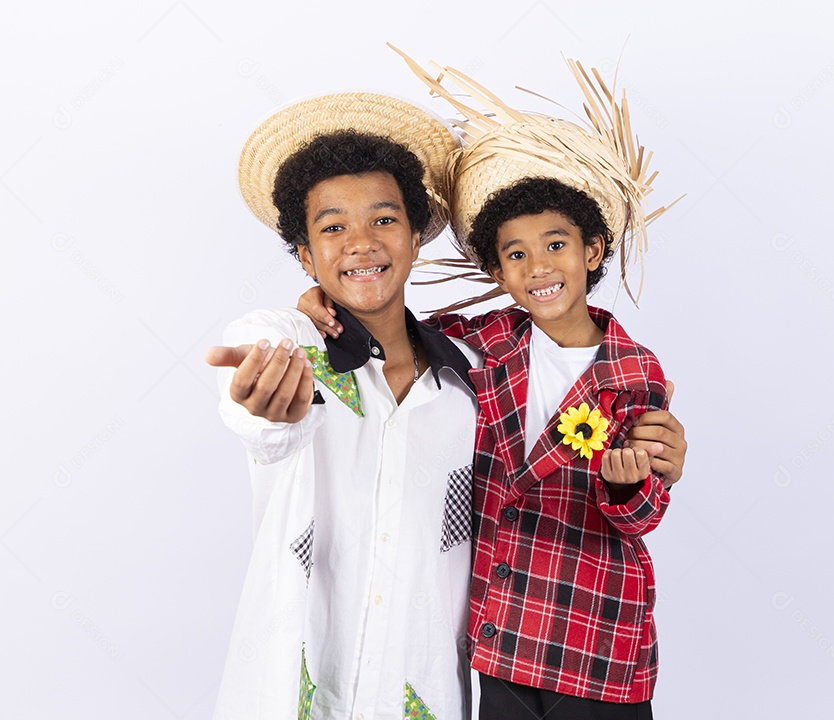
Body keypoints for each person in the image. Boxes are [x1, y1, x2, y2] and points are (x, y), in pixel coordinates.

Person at [208, 93, 686, 720]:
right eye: (331, 228)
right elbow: (264, 381)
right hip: (327, 685)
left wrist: (651, 462)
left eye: (382, 220)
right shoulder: (306, 346)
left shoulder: (473, 373)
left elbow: (624, 471)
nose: (359, 243)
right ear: (306, 256)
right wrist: (263, 396)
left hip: (520, 660)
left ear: (413, 238)